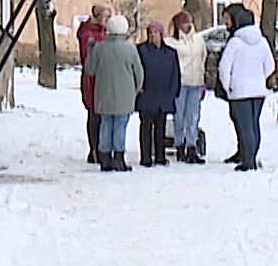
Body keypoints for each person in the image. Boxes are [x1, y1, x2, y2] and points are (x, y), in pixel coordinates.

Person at [218, 7, 277, 171]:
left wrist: (228, 86)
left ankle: (248, 161)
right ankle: (253, 157)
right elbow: (270, 66)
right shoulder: (262, 41)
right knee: (254, 125)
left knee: (245, 128)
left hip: (240, 91)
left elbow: (224, 68)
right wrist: (260, 79)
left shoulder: (235, 42)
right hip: (258, 90)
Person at [85, 14, 145, 171]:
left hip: (103, 94)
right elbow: (138, 73)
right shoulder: (130, 49)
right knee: (120, 125)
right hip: (125, 95)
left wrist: (91, 51)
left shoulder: (99, 48)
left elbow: (90, 70)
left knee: (105, 124)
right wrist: (136, 89)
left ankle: (104, 158)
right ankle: (118, 158)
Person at [136, 20, 181, 167]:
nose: (153, 35)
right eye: (150, 32)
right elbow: (137, 70)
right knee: (146, 126)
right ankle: (146, 157)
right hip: (147, 93)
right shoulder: (141, 50)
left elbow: (176, 73)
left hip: (163, 94)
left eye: (156, 32)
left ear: (161, 34)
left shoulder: (170, 52)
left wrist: (174, 91)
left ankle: (160, 156)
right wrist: (138, 87)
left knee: (160, 127)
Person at [165, 11, 207, 164]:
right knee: (179, 116)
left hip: (195, 82)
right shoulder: (172, 42)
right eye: (184, 22)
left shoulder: (198, 40)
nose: (188, 25)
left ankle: (191, 146)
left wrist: (202, 80)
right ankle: (180, 144)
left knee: (193, 116)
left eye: (189, 21)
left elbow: (203, 58)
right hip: (180, 83)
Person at [75, 5, 112, 162]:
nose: (108, 21)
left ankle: (101, 147)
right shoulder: (89, 34)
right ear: (97, 16)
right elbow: (90, 57)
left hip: (103, 78)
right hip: (92, 78)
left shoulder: (102, 32)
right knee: (94, 113)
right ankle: (95, 149)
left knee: (102, 114)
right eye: (106, 17)